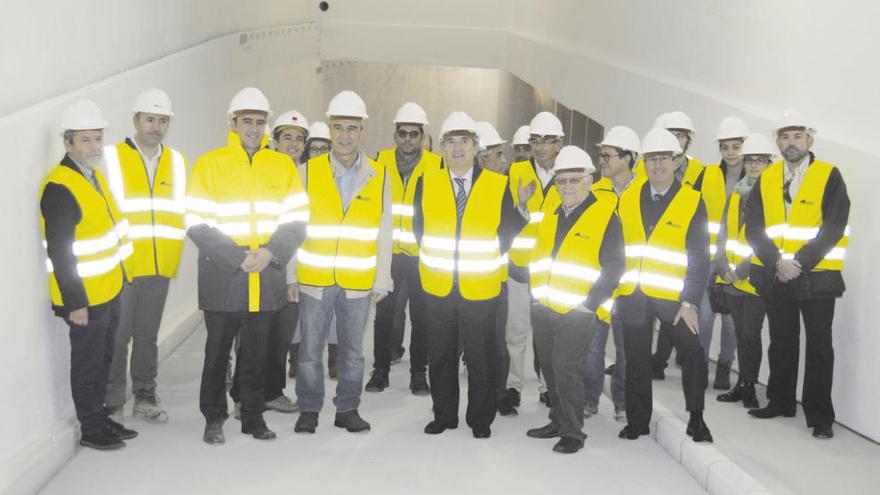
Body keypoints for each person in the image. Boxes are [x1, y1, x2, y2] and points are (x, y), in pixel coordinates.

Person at [186, 87, 309, 444]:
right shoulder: (210, 164)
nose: (253, 128)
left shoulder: (282, 165)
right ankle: (213, 417)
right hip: (225, 275)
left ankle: (253, 416)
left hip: (266, 274)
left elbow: (297, 220)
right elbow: (196, 222)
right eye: (247, 121)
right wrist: (238, 257)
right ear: (233, 123)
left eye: (259, 121)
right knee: (217, 353)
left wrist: (271, 252)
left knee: (257, 353)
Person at [413, 111, 530, 439]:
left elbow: (507, 233)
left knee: (481, 358)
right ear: (442, 147)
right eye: (451, 142)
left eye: (464, 141)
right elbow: (418, 229)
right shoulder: (428, 181)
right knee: (440, 356)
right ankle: (444, 415)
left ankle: (480, 419)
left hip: (481, 288)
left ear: (476, 146)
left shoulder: (497, 185)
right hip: (438, 286)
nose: (458, 148)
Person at [744, 110, 850, 439]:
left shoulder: (829, 175)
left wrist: (798, 262)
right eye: (786, 137)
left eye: (798, 136)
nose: (791, 143)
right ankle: (781, 401)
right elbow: (754, 226)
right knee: (782, 341)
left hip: (816, 276)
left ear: (810, 140)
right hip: (778, 274)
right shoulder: (768, 176)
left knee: (819, 347)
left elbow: (834, 227)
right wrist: (777, 261)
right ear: (778, 142)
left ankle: (820, 416)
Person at [291, 90, 393, 434]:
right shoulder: (307, 172)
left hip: (358, 282)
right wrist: (292, 275)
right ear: (330, 130)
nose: (345, 136)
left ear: (362, 132)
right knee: (309, 350)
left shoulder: (379, 176)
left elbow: (384, 231)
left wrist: (382, 279)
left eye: (352, 128)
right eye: (339, 128)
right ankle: (309, 408)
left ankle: (347, 408)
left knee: (352, 352)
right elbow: (293, 227)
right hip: (314, 279)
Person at [40, 99, 138, 449]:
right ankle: (91, 430)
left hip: (110, 289)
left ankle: (102, 419)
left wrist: (124, 274)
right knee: (87, 364)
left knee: (105, 358)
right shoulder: (60, 187)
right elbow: (60, 252)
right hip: (85, 299)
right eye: (85, 140)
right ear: (67, 143)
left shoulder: (94, 176)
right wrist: (74, 303)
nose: (94, 147)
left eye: (97, 139)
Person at [525, 146, 625, 454]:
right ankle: (557, 419)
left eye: (574, 180)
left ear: (589, 180)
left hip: (578, 311)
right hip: (545, 307)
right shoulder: (553, 213)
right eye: (562, 181)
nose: (567, 187)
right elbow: (538, 256)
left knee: (566, 368)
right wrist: (536, 298)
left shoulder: (606, 215)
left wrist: (589, 304)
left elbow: (615, 266)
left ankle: (573, 433)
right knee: (550, 369)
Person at [616, 128, 713, 443]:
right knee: (636, 359)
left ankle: (696, 418)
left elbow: (699, 257)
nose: (657, 166)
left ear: (676, 162)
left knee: (693, 352)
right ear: (644, 163)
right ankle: (637, 421)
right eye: (651, 159)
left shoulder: (692, 201)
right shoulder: (629, 196)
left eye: (663, 159)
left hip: (674, 299)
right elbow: (618, 247)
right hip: (634, 295)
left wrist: (690, 303)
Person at [103, 89, 186, 426]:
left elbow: (179, 213)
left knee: (148, 335)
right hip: (124, 267)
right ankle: (111, 403)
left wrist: (170, 260)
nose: (156, 126)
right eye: (150, 119)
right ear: (136, 121)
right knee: (119, 336)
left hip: (159, 266)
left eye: (162, 120)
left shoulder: (175, 162)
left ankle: (145, 396)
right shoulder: (112, 158)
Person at [366, 102, 440, 395]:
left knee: (421, 317)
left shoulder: (436, 165)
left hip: (422, 256)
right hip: (388, 254)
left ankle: (418, 373)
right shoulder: (379, 161)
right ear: (395, 135)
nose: (408, 139)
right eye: (402, 133)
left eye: (414, 134)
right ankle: (380, 370)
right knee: (384, 315)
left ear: (423, 137)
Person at [501, 112, 565, 415]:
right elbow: (505, 221)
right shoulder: (515, 173)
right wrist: (520, 205)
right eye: (535, 141)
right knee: (514, 333)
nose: (540, 147)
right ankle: (512, 386)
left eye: (547, 141)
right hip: (519, 268)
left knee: (547, 336)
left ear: (559, 143)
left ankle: (547, 387)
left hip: (551, 274)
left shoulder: (569, 175)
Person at [582, 125, 643, 422]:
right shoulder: (595, 192)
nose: (602, 160)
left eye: (607, 155)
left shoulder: (646, 192)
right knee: (592, 348)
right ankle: (588, 400)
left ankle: (622, 402)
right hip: (601, 283)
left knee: (627, 351)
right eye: (600, 155)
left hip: (632, 287)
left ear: (628, 157)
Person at [715, 133, 776, 409]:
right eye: (750, 160)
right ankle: (743, 384)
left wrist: (740, 270)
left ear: (769, 164)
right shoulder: (738, 192)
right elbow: (724, 232)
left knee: (751, 335)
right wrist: (723, 266)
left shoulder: (774, 197)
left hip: (754, 280)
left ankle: (749, 385)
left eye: (760, 161)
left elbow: (766, 239)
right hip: (732, 279)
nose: (753, 166)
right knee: (741, 334)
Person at [691, 116, 751, 390]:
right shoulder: (707, 175)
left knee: (729, 320)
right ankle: (700, 365)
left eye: (735, 146)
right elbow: (691, 211)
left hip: (736, 263)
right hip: (706, 257)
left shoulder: (757, 179)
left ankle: (725, 366)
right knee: (704, 316)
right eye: (725, 147)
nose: (730, 153)